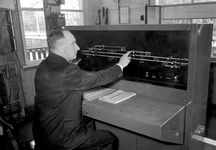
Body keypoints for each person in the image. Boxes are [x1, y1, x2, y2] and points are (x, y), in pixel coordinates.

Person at [32, 29, 131, 150]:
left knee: (88, 121)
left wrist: (72, 68)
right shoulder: (67, 71)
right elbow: (97, 78)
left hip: (42, 134)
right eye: (73, 43)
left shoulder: (44, 65)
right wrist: (120, 65)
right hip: (63, 139)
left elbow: (60, 82)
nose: (78, 47)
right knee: (109, 138)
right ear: (61, 48)